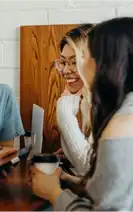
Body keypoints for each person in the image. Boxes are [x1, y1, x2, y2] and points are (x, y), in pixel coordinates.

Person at [31, 17, 133, 211]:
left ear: (107, 62)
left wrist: (54, 193)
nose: (78, 66)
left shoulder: (125, 123)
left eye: (85, 57)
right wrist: (73, 180)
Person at [54, 24, 94, 177]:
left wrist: (64, 107)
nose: (65, 70)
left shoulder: (109, 102)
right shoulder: (86, 100)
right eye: (63, 62)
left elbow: (87, 168)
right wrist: (70, 152)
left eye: (74, 62)